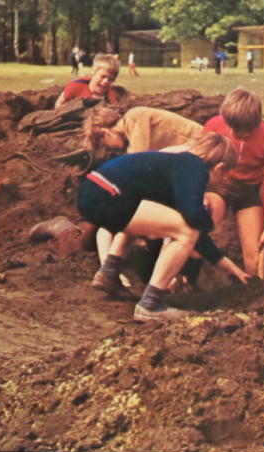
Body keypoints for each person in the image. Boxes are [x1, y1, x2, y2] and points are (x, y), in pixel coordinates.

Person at [77, 133, 250, 322]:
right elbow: (192, 220)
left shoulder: (179, 167)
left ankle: (109, 273)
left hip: (93, 191)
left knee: (157, 222)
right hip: (107, 195)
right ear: (219, 168)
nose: (223, 180)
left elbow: (188, 222)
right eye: (225, 176)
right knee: (186, 233)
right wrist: (207, 222)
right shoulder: (195, 167)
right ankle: (150, 304)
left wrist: (225, 263)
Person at [203, 88, 264, 278]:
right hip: (219, 186)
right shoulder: (214, 125)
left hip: (248, 192)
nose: (230, 132)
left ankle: (253, 297)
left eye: (237, 129)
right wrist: (201, 193)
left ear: (254, 125)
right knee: (199, 230)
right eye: (228, 125)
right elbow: (198, 161)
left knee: (254, 260)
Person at [82, 106, 204, 158]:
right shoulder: (130, 135)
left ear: (106, 132)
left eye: (105, 145)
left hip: (204, 144)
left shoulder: (134, 117)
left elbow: (138, 158)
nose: (110, 149)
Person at [55, 53, 120, 108]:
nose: (106, 81)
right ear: (92, 74)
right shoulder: (76, 85)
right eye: (103, 76)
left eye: (111, 79)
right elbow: (58, 104)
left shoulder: (110, 98)